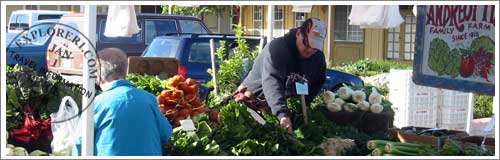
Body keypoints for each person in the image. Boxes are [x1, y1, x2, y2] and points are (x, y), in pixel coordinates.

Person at [72, 48, 172, 156]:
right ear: (125, 71)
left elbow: (80, 144)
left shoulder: (96, 103)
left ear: (98, 76)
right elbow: (165, 134)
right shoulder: (149, 99)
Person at [234, 18, 327, 132]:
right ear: (298, 34)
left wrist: (303, 106)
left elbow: (318, 81)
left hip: (282, 107)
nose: (309, 50)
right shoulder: (276, 48)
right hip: (253, 102)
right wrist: (283, 115)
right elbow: (272, 81)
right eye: (306, 44)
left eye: (315, 48)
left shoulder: (317, 57)